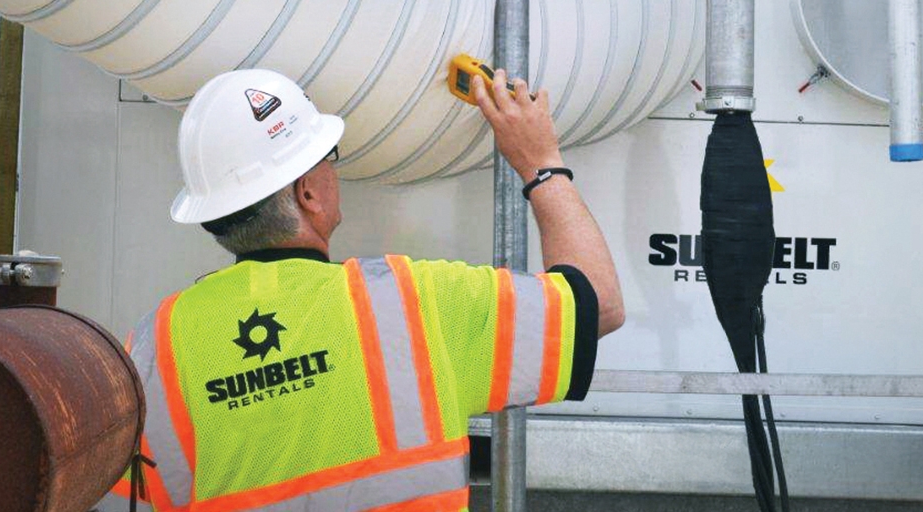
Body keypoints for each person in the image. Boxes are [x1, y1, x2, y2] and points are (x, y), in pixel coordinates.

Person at [94, 67, 623, 512]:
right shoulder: (416, 303)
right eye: (330, 157)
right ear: (307, 193)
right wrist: (541, 163)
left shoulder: (152, 347)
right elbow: (597, 302)